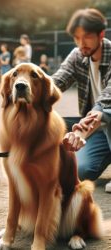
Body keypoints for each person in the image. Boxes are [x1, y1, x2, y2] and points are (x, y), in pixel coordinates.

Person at [52, 8, 111, 193]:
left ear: (101, 34)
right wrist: (28, 89)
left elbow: (106, 101)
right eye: (76, 38)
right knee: (81, 170)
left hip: (103, 117)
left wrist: (80, 133)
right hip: (97, 130)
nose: (81, 43)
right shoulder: (78, 55)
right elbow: (55, 83)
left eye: (86, 37)